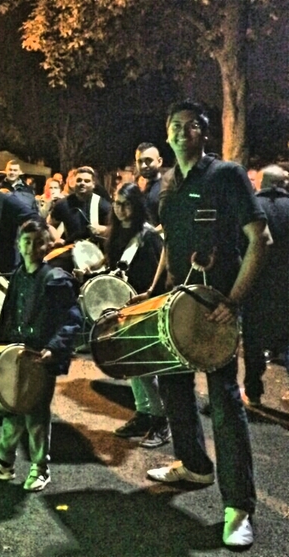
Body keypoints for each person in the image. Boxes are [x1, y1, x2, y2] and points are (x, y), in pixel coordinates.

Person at [143, 100, 271, 548]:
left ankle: (239, 507)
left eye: (191, 126)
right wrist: (152, 290)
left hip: (216, 309)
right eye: (174, 126)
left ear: (204, 132)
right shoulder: (168, 182)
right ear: (167, 134)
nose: (181, 132)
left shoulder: (227, 175)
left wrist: (233, 302)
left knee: (224, 402)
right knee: (174, 385)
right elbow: (169, 245)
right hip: (175, 305)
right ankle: (195, 466)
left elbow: (260, 239)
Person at [0, 219, 81, 491]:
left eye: (38, 242)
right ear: (18, 245)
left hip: (39, 357)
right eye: (26, 242)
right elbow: (9, 313)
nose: (31, 248)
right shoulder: (18, 275)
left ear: (48, 246)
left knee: (36, 414)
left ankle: (40, 469)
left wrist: (54, 347)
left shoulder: (55, 280)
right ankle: (4, 464)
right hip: (16, 353)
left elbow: (72, 319)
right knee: (11, 408)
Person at [103, 184, 169, 448]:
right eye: (117, 203)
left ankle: (161, 421)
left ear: (137, 205)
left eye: (126, 203)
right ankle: (143, 414)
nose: (120, 209)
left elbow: (159, 278)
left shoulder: (148, 236)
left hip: (145, 309)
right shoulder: (117, 234)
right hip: (125, 309)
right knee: (130, 366)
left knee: (145, 368)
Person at [241, 165, 289, 407]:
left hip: (255, 285)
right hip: (286, 287)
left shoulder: (251, 208)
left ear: (260, 183)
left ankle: (253, 392)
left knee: (253, 341)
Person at [48, 166, 111, 248]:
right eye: (79, 180)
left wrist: (102, 229)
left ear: (93, 184)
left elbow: (115, 228)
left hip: (94, 251)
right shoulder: (63, 203)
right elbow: (49, 224)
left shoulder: (102, 204)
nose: (82, 183)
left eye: (87, 181)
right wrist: (57, 238)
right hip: (70, 250)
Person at [134, 142, 164, 229]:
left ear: (159, 161)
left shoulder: (167, 187)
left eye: (148, 161)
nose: (143, 165)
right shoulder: (139, 190)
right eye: (140, 161)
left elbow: (172, 220)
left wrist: (152, 233)